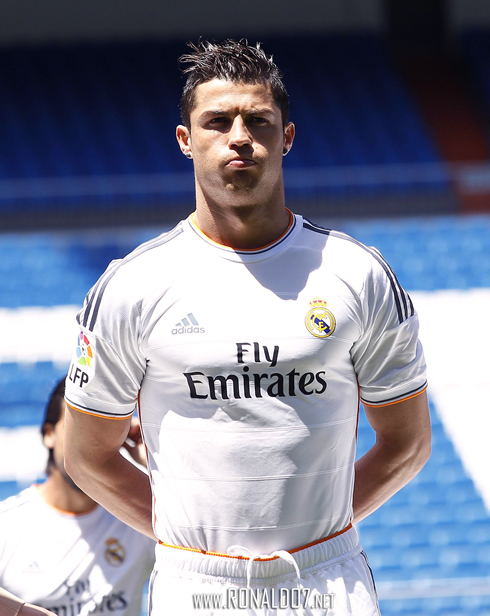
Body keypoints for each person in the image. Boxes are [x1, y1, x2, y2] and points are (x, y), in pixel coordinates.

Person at [63, 39, 431, 615]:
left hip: (327, 578)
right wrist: (184, 539)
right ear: (186, 140)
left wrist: (320, 532)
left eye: (258, 120)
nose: (239, 136)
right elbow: (85, 454)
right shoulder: (132, 286)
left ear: (286, 137)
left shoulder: (358, 274)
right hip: (195, 581)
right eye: (217, 121)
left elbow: (408, 445)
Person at [0, 378, 155, 616]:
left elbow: (216, 540)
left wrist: (155, 461)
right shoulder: (7, 526)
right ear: (48, 434)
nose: (89, 445)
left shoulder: (140, 517)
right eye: (77, 429)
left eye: (100, 432)